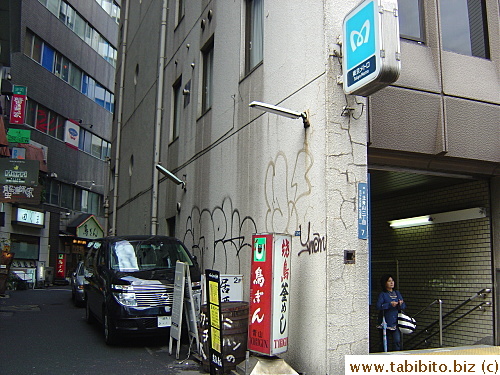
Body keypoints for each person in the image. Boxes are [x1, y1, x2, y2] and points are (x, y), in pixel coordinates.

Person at [376, 274, 406, 351]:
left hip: (396, 321)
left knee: (397, 341)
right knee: (385, 343)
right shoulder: (383, 294)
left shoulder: (397, 293)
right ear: (385, 283)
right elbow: (378, 306)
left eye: (392, 281)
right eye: (389, 281)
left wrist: (400, 304)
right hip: (385, 322)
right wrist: (389, 304)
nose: (391, 283)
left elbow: (403, 306)